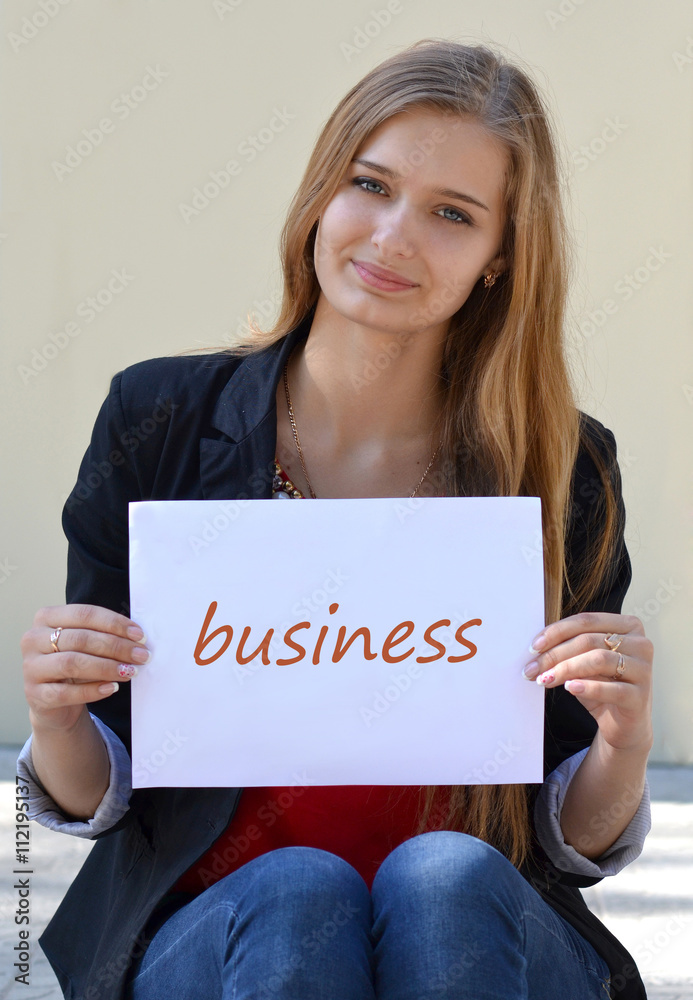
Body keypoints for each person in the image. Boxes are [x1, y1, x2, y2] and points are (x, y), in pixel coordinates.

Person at [18, 38, 654, 1000]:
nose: (394, 236)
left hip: (476, 937)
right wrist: (58, 714)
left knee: (443, 879)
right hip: (218, 935)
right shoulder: (158, 421)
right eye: (371, 184)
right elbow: (98, 786)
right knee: (296, 891)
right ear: (322, 193)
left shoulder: (564, 465)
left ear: (499, 259)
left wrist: (622, 744)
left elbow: (572, 839)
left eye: (452, 213)